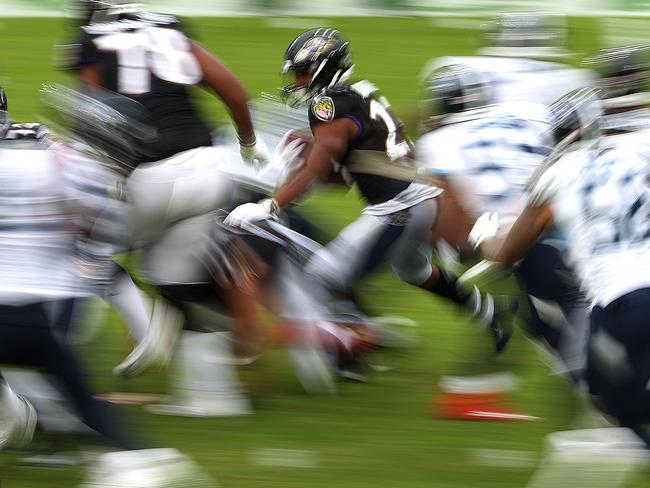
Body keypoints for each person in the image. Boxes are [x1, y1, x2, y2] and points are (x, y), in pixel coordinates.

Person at [226, 27, 513, 352]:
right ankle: (489, 311)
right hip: (421, 200)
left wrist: (269, 205)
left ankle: (362, 343)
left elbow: (318, 168)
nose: (298, 82)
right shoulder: (361, 94)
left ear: (324, 69)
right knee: (415, 271)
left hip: (397, 208)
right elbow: (346, 175)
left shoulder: (328, 105)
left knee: (325, 276)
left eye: (303, 73)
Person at [66, 0, 272, 378]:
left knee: (84, 247)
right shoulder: (168, 27)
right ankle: (212, 395)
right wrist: (248, 142)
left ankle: (147, 330)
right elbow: (231, 86)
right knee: (175, 281)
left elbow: (93, 117)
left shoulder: (93, 35)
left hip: (152, 177)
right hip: (211, 169)